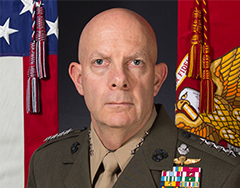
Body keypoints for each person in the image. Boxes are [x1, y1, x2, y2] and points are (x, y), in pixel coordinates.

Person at [27, 8, 240, 188]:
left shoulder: (220, 175)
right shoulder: (46, 163)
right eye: (100, 62)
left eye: (135, 62)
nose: (119, 79)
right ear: (79, 79)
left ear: (157, 80)